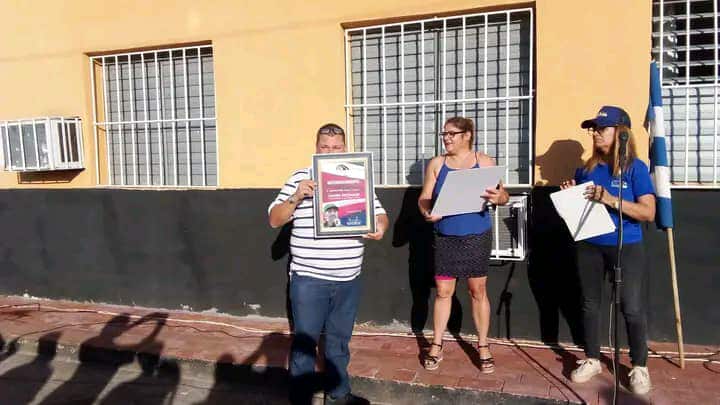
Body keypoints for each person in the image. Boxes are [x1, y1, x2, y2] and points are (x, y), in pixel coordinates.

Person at [268, 123, 389, 405]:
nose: (331, 152)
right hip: (309, 278)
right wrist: (297, 196)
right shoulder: (300, 177)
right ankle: (301, 398)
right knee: (305, 344)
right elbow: (274, 219)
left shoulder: (357, 177)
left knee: (339, 342)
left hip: (349, 278)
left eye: (336, 147)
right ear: (316, 148)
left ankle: (338, 394)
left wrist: (380, 227)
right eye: (325, 147)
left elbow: (380, 214)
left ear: (344, 148)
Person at [561, 106, 656, 395]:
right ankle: (592, 359)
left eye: (602, 129)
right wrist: (571, 193)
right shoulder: (586, 169)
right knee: (590, 304)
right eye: (594, 129)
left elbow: (648, 212)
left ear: (621, 133)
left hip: (626, 245)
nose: (595, 134)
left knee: (632, 307)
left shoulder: (636, 168)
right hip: (589, 244)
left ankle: (639, 366)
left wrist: (611, 199)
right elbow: (582, 205)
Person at [417, 116, 509, 374]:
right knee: (443, 291)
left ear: (467, 135)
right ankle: (437, 344)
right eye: (444, 134)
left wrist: (500, 197)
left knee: (477, 290)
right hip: (446, 236)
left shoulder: (484, 162)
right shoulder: (437, 164)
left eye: (452, 134)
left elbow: (503, 195)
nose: (446, 138)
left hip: (476, 235)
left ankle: (483, 345)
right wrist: (427, 211)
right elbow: (424, 197)